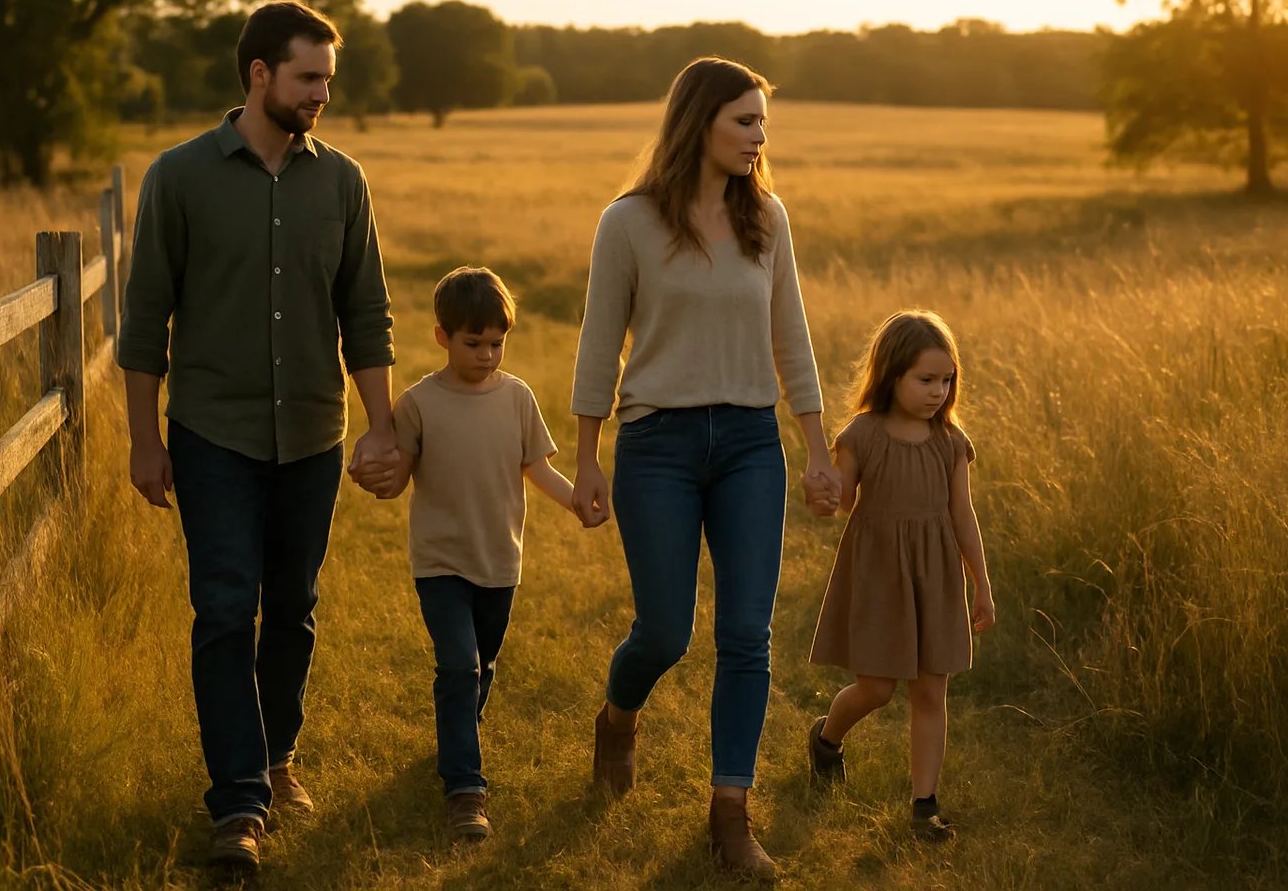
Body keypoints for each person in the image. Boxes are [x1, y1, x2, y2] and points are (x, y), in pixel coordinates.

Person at [116, 0, 399, 870]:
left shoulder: (343, 182)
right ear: (259, 75)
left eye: (328, 80)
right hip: (212, 435)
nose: (322, 94)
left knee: (296, 609)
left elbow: (365, 314)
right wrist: (143, 440)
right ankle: (237, 802)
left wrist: (384, 427)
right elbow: (144, 320)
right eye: (309, 78)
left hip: (313, 433)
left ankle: (278, 760)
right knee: (224, 609)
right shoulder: (179, 177)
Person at [569, 56, 840, 879]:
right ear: (700, 123)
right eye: (745, 121)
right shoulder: (629, 223)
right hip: (658, 444)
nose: (760, 138)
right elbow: (597, 346)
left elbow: (791, 337)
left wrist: (817, 449)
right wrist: (586, 459)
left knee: (747, 637)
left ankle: (731, 814)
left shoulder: (769, 220)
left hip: (752, 444)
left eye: (764, 122)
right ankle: (619, 716)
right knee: (664, 632)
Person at [354, 267, 603, 841]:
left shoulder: (517, 398)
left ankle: (457, 730)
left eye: (497, 343)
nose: (488, 355)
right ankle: (465, 789)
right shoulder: (417, 404)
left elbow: (536, 467)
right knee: (460, 665)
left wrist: (576, 503)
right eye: (474, 343)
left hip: (500, 562)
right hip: (440, 561)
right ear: (442, 337)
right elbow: (399, 475)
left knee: (482, 665)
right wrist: (370, 473)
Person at [806, 310, 995, 842]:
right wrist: (822, 492)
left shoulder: (951, 442)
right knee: (877, 688)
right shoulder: (862, 435)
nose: (940, 391)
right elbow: (840, 502)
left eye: (947, 380)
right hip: (881, 575)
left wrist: (981, 581)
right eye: (926, 379)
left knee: (931, 692)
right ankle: (826, 738)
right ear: (891, 375)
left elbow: (963, 514)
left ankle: (924, 806)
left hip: (936, 575)